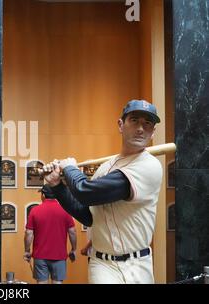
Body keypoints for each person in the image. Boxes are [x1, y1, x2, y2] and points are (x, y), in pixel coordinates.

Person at [42, 99, 163, 284]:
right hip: (102, 264)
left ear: (153, 132)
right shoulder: (105, 168)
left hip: (136, 264)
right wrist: (57, 186)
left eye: (147, 124)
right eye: (135, 121)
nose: (140, 128)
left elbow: (86, 191)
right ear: (121, 125)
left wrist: (69, 167)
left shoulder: (150, 166)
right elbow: (88, 215)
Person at [23, 185, 77, 284]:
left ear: (43, 195)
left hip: (40, 256)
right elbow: (72, 232)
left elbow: (29, 233)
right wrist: (73, 249)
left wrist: (27, 251)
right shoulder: (65, 211)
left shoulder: (35, 210)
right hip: (59, 255)